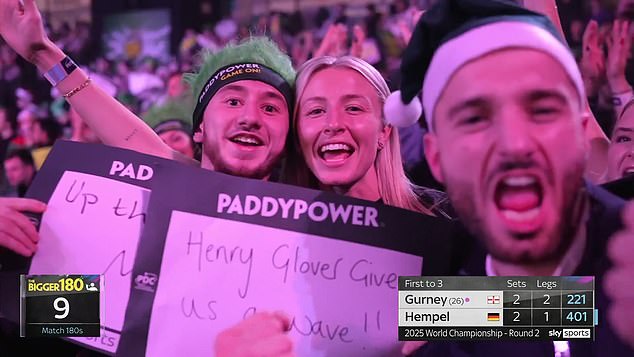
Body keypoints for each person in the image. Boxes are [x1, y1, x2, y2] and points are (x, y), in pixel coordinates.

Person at [377, 0, 634, 355]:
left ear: (581, 134)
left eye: (542, 110)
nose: (514, 144)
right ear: (437, 158)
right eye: (474, 119)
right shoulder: (439, 292)